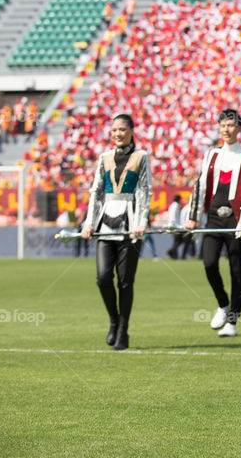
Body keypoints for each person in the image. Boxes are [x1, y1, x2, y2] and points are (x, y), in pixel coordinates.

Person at [185, 109, 241, 338]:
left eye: (231, 125)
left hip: (236, 221)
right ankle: (223, 303)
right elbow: (200, 186)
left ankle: (233, 320)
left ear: (239, 128)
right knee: (209, 263)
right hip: (214, 219)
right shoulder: (211, 154)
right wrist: (192, 216)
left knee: (237, 270)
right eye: (222, 126)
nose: (226, 130)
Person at [80, 113, 152, 351]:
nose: (117, 134)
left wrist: (141, 221)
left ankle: (123, 330)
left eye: (122, 129)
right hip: (106, 226)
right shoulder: (104, 158)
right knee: (102, 278)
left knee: (125, 282)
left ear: (131, 131)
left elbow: (145, 191)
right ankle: (113, 320)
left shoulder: (141, 157)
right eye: (114, 130)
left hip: (130, 226)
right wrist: (89, 222)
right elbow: (96, 192)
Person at [166, 194, 187, 259]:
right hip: (175, 227)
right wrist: (177, 227)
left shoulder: (173, 206)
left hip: (175, 226)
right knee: (178, 241)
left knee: (177, 241)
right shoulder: (175, 207)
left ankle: (173, 253)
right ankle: (172, 253)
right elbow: (173, 218)